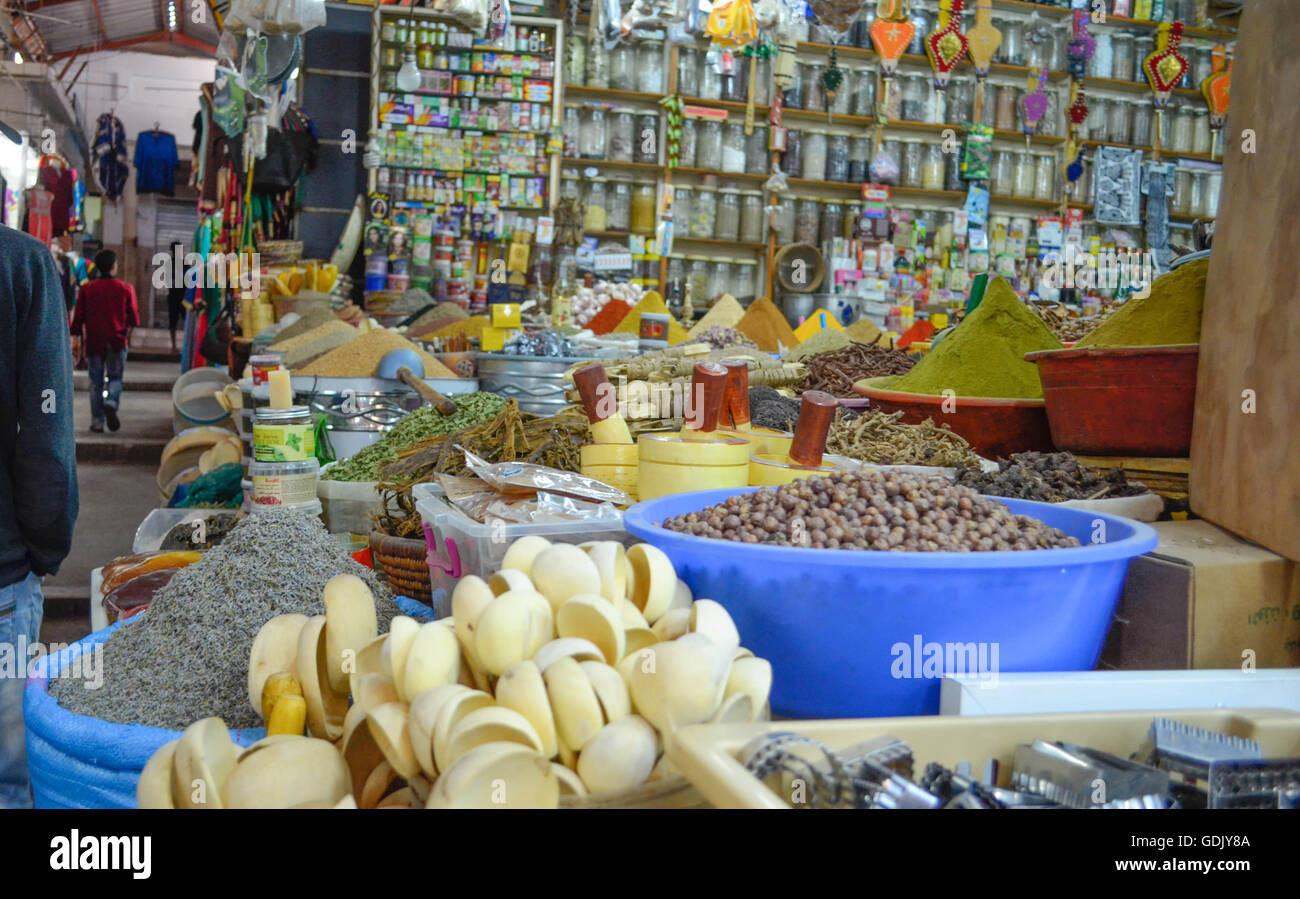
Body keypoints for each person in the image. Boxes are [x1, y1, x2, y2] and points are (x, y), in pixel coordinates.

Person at [0, 223, 79, 809]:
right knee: (6, 782)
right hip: (1, 579)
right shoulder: (21, 264)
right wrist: (46, 545)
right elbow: (45, 434)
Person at [69, 249, 139, 433]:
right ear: (114, 266)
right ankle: (111, 401)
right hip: (117, 340)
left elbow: (78, 320)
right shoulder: (125, 288)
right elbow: (134, 319)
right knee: (115, 377)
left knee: (96, 382)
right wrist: (127, 336)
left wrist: (75, 339)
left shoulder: (87, 289)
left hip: (93, 342)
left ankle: (97, 422)